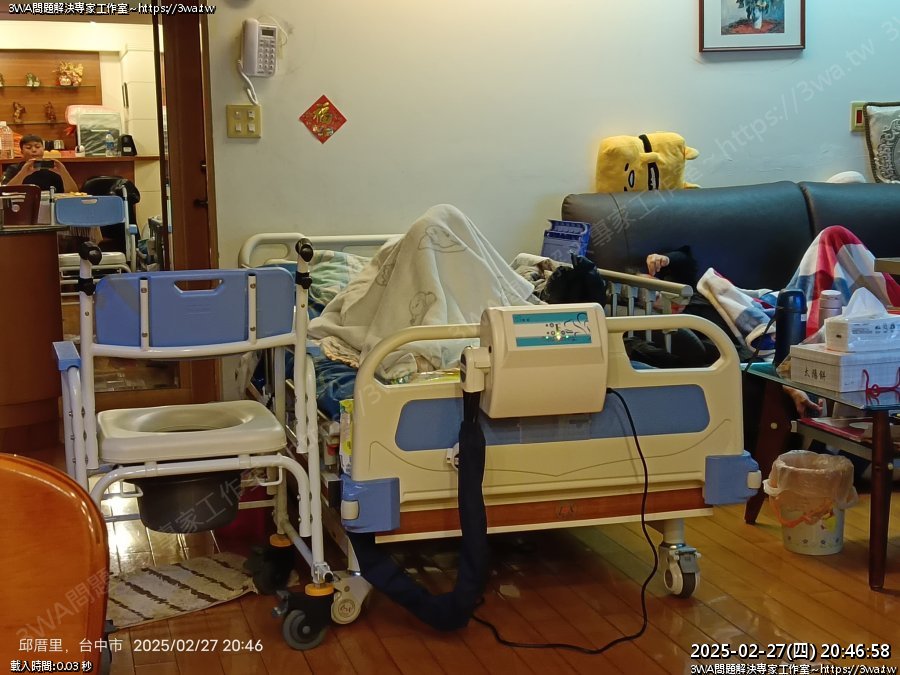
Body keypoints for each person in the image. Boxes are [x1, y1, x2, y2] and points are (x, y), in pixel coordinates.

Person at [1, 134, 78, 193]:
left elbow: (73, 192)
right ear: (22, 152)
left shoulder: (54, 168)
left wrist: (63, 172)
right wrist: (23, 173)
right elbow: (5, 192)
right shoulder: (14, 169)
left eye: (37, 147)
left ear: (43, 149)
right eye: (28, 147)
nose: (34, 150)